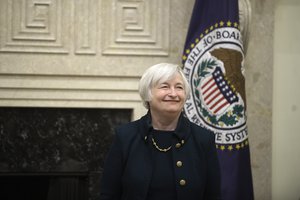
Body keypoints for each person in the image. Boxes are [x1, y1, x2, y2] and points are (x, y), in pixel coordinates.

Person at [99, 63, 221, 200]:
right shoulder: (125, 136)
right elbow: (108, 194)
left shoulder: (204, 139)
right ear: (148, 93)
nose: (173, 93)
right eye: (165, 86)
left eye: (179, 87)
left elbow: (214, 195)